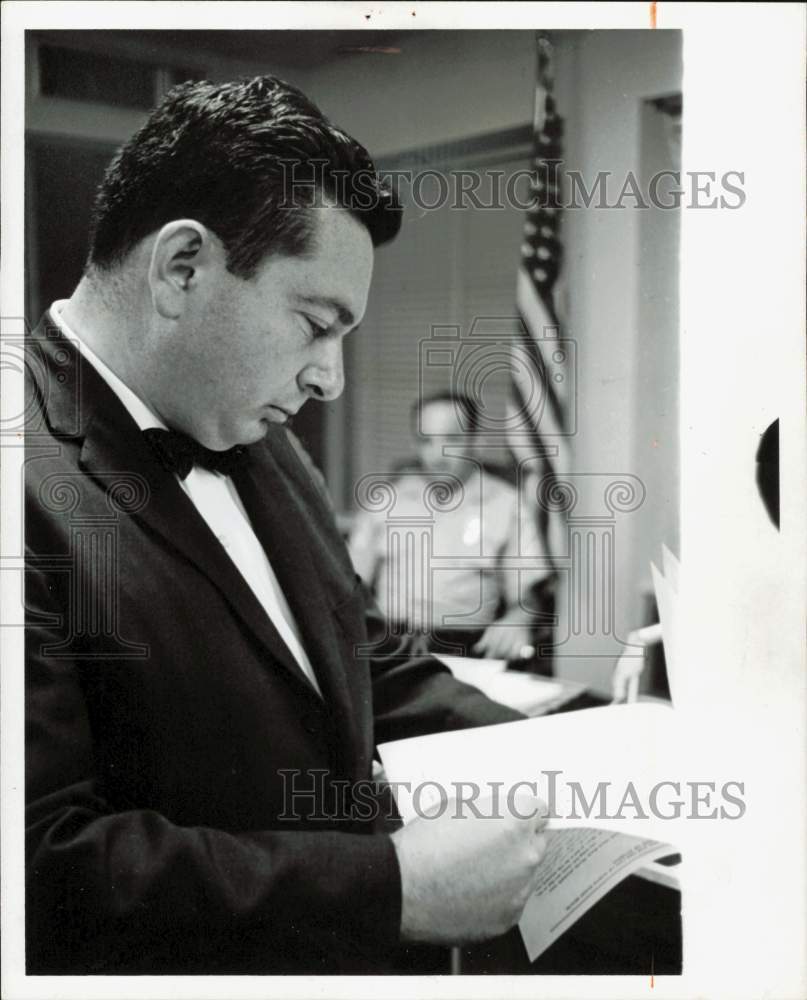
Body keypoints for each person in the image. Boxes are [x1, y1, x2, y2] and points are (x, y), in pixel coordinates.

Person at [24, 76, 550, 975]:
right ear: (182, 267)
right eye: (315, 324)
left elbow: (359, 658)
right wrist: (390, 889)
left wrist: (561, 748)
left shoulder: (254, 432)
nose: (330, 379)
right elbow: (41, 863)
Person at [349, 391, 553, 660]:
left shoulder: (506, 505)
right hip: (389, 644)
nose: (438, 454)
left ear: (476, 441)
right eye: (426, 440)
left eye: (452, 439)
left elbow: (526, 595)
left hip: (462, 647)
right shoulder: (387, 500)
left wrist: (518, 619)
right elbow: (349, 585)